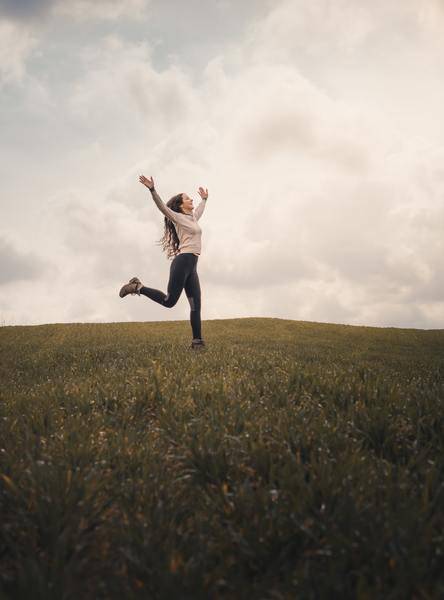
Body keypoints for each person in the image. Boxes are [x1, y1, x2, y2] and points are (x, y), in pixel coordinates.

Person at [119, 175, 209, 350]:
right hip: (183, 262)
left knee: (195, 305)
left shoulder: (192, 218)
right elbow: (162, 207)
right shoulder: (177, 217)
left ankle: (197, 343)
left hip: (192, 266)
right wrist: (152, 190)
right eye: (188, 198)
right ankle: (137, 287)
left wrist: (204, 199)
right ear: (181, 204)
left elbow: (199, 210)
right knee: (169, 301)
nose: (191, 199)